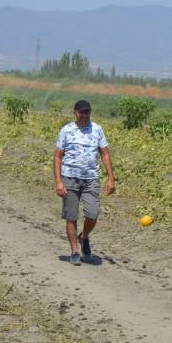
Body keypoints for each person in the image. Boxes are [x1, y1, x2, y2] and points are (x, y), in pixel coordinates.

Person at [54, 99, 116, 265]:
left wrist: (111, 178)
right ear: (75, 113)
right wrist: (59, 181)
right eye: (81, 112)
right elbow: (58, 157)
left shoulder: (97, 130)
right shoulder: (66, 130)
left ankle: (84, 237)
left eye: (87, 112)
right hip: (70, 178)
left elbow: (105, 154)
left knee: (92, 213)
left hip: (91, 179)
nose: (84, 115)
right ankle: (74, 251)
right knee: (71, 216)